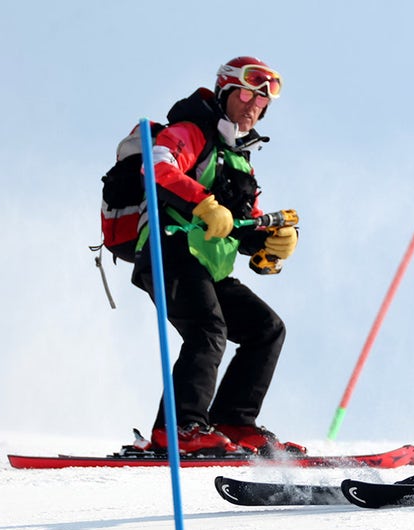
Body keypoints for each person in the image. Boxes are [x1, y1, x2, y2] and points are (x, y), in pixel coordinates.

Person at [130, 56, 303, 457]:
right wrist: (203, 203)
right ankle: (180, 429)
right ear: (225, 91)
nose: (253, 106)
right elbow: (156, 166)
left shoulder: (241, 157)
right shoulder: (192, 131)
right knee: (208, 331)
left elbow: (245, 225)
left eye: (263, 102)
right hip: (168, 253)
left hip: (209, 267)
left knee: (266, 328)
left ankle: (234, 422)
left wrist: (270, 245)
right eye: (246, 94)